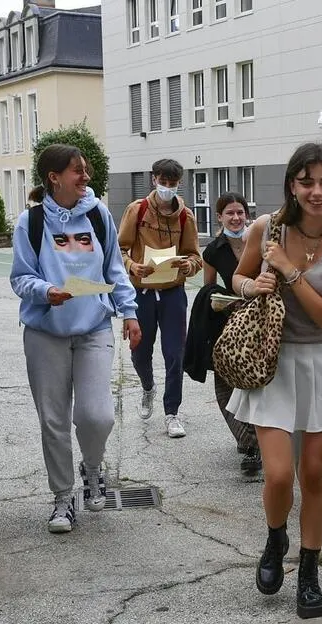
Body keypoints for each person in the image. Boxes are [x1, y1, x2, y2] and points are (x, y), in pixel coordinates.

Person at [228, 142, 322, 619]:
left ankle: (309, 571)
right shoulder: (266, 228)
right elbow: (237, 279)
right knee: (278, 474)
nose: (316, 192)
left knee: (313, 473)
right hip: (273, 360)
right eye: (306, 182)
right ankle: (275, 539)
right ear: (292, 184)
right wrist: (253, 284)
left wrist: (289, 272)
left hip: (320, 360)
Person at [10, 144, 141, 533]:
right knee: (53, 420)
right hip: (45, 332)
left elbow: (114, 269)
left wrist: (130, 312)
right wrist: (46, 291)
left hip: (93, 328)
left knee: (96, 416)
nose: (85, 177)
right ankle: (63, 499)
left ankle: (93, 467)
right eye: (77, 171)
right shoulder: (31, 222)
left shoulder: (98, 214)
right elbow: (20, 277)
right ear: (54, 178)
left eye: (86, 170)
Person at [117, 158, 202, 438]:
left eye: (172, 183)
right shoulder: (137, 210)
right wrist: (132, 266)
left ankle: (172, 412)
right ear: (154, 179)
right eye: (163, 182)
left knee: (175, 353)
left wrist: (189, 265)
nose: (167, 187)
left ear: (179, 184)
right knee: (140, 352)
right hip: (141, 292)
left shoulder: (185, 216)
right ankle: (147, 386)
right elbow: (119, 249)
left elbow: (195, 256)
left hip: (172, 293)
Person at [202, 192, 261, 475]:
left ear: (247, 215)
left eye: (240, 212)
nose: (236, 218)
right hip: (230, 323)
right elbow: (208, 289)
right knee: (226, 384)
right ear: (219, 217)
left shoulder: (261, 241)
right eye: (230, 213)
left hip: (262, 321)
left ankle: (261, 439)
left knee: (259, 383)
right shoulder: (213, 251)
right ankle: (248, 444)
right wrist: (220, 301)